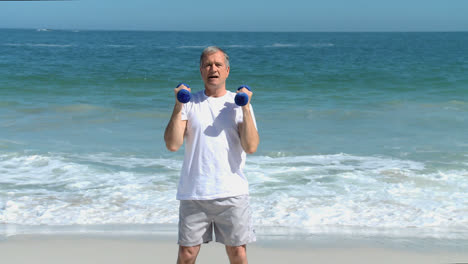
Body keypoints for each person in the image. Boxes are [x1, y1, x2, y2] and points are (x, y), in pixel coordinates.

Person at [164, 46, 259, 264]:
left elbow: (251, 146)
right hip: (194, 193)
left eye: (217, 65)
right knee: (187, 255)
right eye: (207, 65)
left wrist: (245, 108)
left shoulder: (238, 103)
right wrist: (178, 106)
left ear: (226, 70)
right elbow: (172, 144)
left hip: (231, 193)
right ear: (201, 70)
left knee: (238, 254)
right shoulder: (189, 103)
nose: (212, 69)